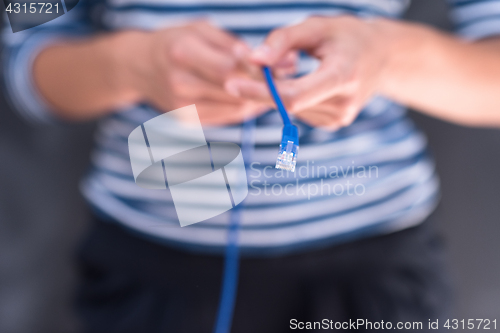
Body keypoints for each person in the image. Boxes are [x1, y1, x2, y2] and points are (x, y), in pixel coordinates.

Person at [3, 0, 500, 332]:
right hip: (150, 271)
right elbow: (29, 41)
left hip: (370, 271)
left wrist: (385, 59)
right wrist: (126, 64)